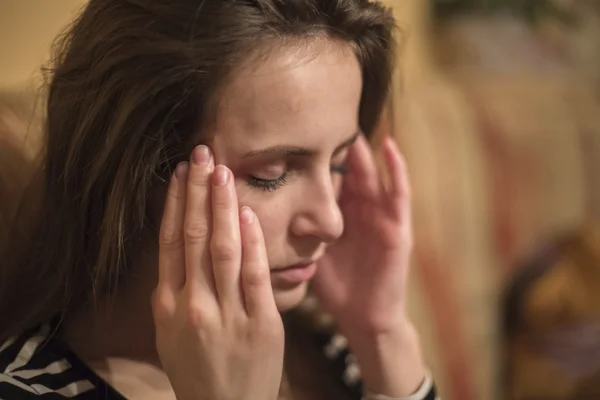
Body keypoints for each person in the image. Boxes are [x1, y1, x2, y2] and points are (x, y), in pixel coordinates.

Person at [0, 0, 438, 399]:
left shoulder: (322, 350)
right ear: (136, 174)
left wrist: (382, 333)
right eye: (273, 174)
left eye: (339, 164)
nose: (330, 221)